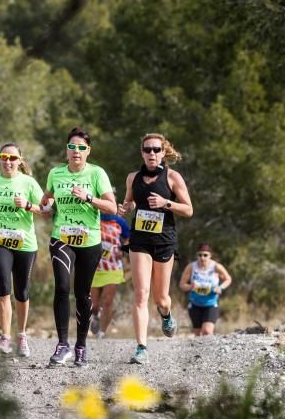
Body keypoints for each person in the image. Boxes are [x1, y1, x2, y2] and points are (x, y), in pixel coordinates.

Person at [41, 127, 117, 367]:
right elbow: (48, 200)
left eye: (81, 148)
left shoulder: (97, 174)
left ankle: (81, 346)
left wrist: (88, 198)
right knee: (62, 287)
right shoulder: (56, 173)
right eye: (72, 147)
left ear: (88, 152)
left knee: (82, 293)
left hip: (89, 241)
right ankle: (62, 345)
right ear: (66, 151)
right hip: (61, 237)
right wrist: (45, 205)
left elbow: (112, 208)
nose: (76, 151)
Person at [120, 133, 193, 364]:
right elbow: (129, 202)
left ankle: (166, 314)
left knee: (160, 298)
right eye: (147, 149)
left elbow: (189, 210)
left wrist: (166, 203)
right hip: (139, 240)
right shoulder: (133, 177)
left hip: (164, 240)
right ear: (141, 152)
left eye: (156, 150)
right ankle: (141, 348)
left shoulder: (172, 177)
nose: (152, 153)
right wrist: (126, 208)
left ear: (163, 152)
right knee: (141, 294)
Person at [0, 143, 45, 357]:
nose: (8, 161)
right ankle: (5, 337)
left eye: (12, 158)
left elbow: (46, 209)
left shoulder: (28, 183)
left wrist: (27, 205)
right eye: (4, 157)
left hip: (25, 243)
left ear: (20, 160)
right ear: (0, 158)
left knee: (22, 291)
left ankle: (22, 335)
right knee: (3, 285)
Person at [90, 209, 130, 339]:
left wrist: (122, 251)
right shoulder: (92, 217)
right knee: (94, 305)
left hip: (113, 267)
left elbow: (129, 239)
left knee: (108, 301)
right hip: (94, 268)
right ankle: (95, 316)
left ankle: (102, 332)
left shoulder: (120, 222)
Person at [178, 243, 232, 336]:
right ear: (197, 255)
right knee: (197, 333)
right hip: (195, 304)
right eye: (200, 255)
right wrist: (190, 286)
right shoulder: (191, 267)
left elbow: (228, 279)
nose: (202, 258)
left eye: (205, 255)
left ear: (210, 255)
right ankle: (198, 351)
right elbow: (182, 285)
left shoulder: (216, 267)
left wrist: (220, 287)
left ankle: (210, 350)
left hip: (211, 303)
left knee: (207, 331)